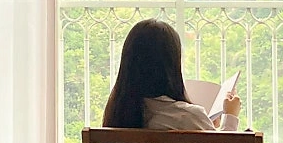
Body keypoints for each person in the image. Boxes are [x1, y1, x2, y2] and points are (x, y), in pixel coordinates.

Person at [102, 18, 241, 132]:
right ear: (172, 65)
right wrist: (230, 116)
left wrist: (205, 124)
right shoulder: (188, 117)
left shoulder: (117, 116)